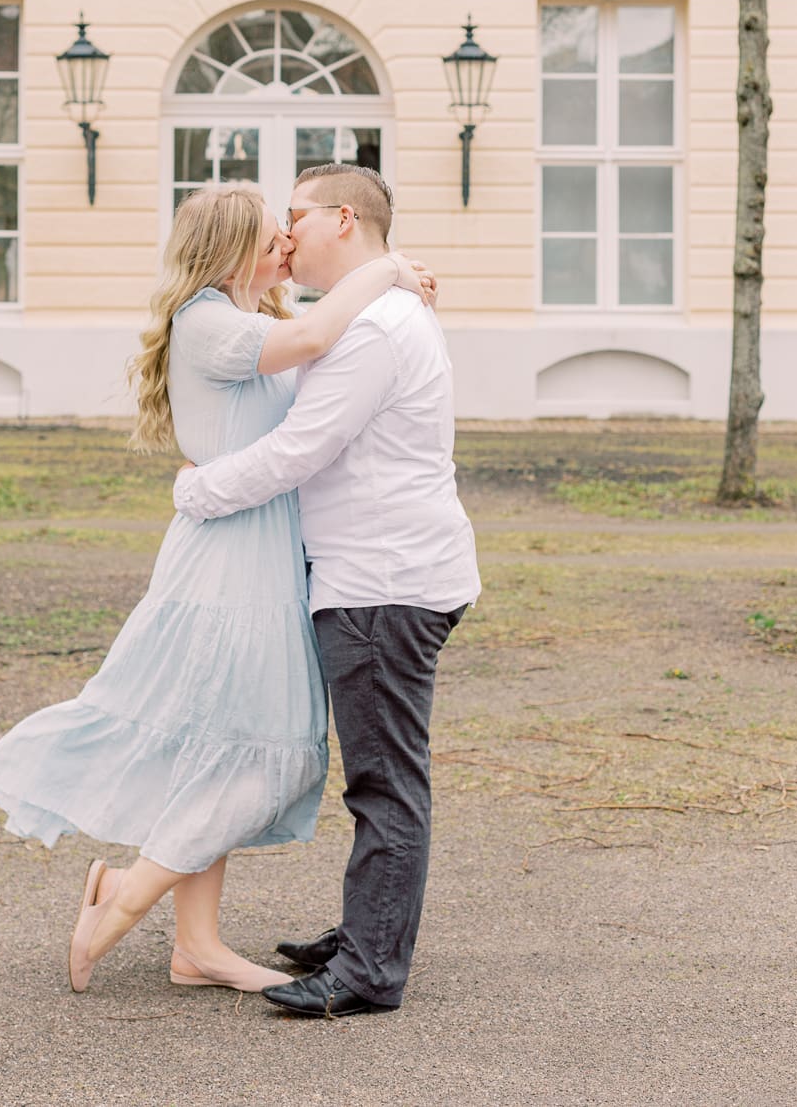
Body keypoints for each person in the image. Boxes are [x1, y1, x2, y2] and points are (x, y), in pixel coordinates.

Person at [0, 181, 432, 996]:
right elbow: (328, 327)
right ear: (228, 251)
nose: (287, 247)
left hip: (259, 550)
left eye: (288, 233)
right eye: (271, 236)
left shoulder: (254, 323)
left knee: (220, 741)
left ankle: (199, 945)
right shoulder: (209, 323)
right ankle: (123, 896)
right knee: (247, 748)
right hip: (227, 559)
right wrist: (389, 266)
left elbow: (325, 355)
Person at [173, 163, 481, 1020]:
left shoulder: (376, 328)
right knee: (380, 773)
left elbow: (297, 450)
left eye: (297, 216)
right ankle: (366, 932)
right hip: (372, 573)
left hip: (385, 582)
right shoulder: (361, 312)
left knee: (384, 781)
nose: (285, 232)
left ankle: (371, 969)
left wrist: (194, 490)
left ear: (343, 219)